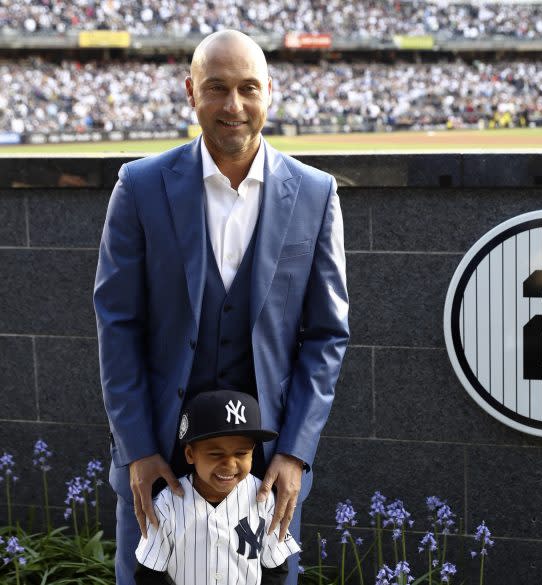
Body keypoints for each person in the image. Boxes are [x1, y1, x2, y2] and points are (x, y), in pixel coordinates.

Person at [94, 29, 349, 585]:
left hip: (266, 466)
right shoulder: (139, 186)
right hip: (158, 460)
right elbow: (117, 326)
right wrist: (138, 450)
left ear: (269, 93)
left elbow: (327, 335)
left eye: (248, 88)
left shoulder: (315, 193)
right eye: (217, 88)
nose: (233, 106)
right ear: (191, 92)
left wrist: (295, 454)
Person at [134, 390, 300, 585]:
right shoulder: (168, 503)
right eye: (215, 454)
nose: (230, 464)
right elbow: (148, 574)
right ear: (190, 454)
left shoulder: (263, 499)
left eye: (241, 453)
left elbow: (276, 569)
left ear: (253, 452)